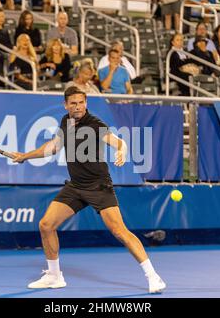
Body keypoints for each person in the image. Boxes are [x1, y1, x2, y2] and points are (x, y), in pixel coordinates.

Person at [11, 86, 166, 294]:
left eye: (81, 102)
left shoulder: (94, 124)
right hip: (75, 186)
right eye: (73, 103)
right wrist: (24, 156)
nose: (78, 106)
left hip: (98, 186)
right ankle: (54, 276)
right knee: (46, 225)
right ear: (65, 105)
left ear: (86, 103)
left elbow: (118, 142)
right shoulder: (66, 122)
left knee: (119, 231)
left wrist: (122, 151)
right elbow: (53, 147)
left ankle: (153, 276)